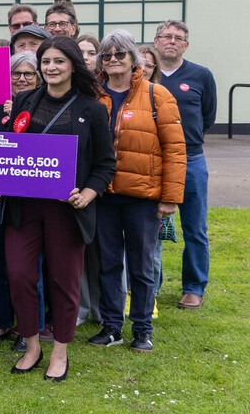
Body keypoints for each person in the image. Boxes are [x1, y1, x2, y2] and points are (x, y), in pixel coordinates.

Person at [0, 37, 117, 382]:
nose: (51, 68)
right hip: (24, 208)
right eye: (46, 61)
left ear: (73, 65)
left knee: (64, 281)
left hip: (67, 210)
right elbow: (10, 148)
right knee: (20, 275)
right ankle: (32, 344)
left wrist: (90, 193)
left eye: (59, 62)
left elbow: (106, 163)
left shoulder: (92, 109)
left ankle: (60, 351)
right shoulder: (23, 101)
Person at [88, 31, 185, 352]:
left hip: (143, 198)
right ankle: (112, 326)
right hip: (104, 196)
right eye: (107, 55)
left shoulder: (157, 96)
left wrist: (170, 197)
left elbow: (174, 148)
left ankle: (142, 329)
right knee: (109, 264)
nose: (113, 60)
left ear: (133, 59)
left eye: (119, 54)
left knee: (142, 268)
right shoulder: (93, 96)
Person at [150, 20, 215, 310]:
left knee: (195, 227)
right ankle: (151, 284)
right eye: (166, 36)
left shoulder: (201, 75)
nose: (171, 41)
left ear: (186, 45)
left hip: (191, 160)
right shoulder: (146, 75)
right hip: (153, 160)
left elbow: (208, 116)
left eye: (178, 38)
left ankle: (194, 287)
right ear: (156, 41)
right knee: (150, 229)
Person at [0, 51, 39, 350]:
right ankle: (1, 323)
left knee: (25, 270)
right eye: (17, 74)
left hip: (29, 202)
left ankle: (27, 330)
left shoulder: (46, 109)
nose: (22, 79)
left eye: (29, 74)